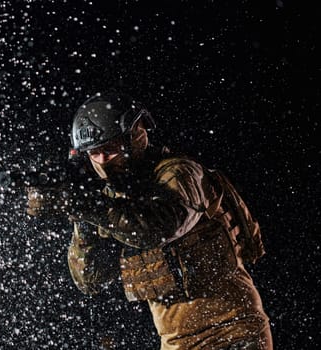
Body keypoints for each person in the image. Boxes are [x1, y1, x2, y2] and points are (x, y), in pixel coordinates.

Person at [26, 92, 273, 349]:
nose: (102, 162)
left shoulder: (180, 172)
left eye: (110, 150)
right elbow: (90, 279)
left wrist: (86, 204)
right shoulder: (111, 198)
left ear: (137, 137)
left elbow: (160, 227)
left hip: (232, 330)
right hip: (176, 341)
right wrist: (78, 210)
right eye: (94, 154)